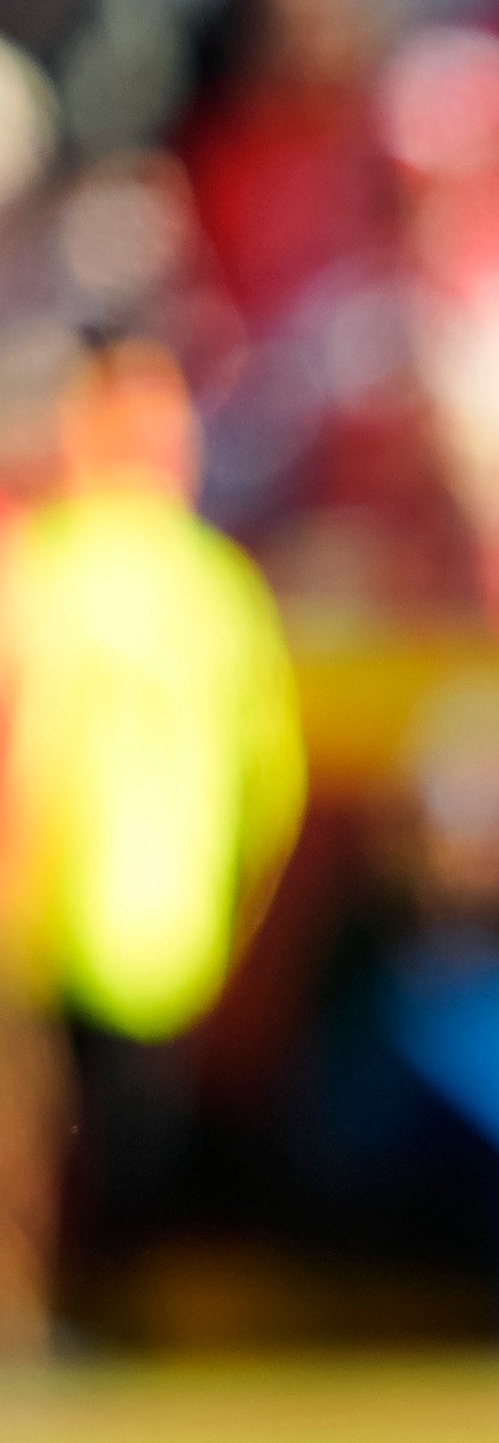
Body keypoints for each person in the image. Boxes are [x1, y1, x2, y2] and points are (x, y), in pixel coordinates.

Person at [0, 340, 308, 1352]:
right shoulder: (213, 580)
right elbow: (274, 792)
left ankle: (40, 1330)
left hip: (65, 926)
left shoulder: (46, 565)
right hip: (167, 937)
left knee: (48, 1163)